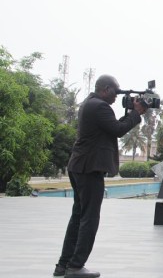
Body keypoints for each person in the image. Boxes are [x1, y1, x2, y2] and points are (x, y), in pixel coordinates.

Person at [54, 75, 147, 278]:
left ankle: (63, 265)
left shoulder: (90, 104)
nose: (116, 97)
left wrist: (131, 113)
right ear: (106, 89)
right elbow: (119, 130)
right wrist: (136, 113)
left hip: (79, 166)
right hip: (89, 168)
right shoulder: (99, 107)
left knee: (78, 216)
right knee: (89, 218)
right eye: (116, 91)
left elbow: (112, 128)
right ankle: (76, 266)